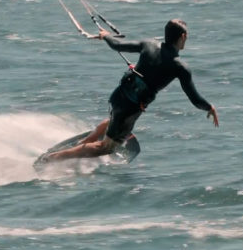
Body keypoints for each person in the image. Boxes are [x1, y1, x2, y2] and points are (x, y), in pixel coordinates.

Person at [42, 19, 218, 162]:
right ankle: (54, 158)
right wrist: (209, 108)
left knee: (113, 119)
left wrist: (106, 36)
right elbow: (195, 99)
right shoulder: (180, 67)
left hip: (118, 96)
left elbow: (117, 45)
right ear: (183, 36)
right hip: (130, 109)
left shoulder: (149, 44)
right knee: (107, 148)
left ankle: (85, 141)